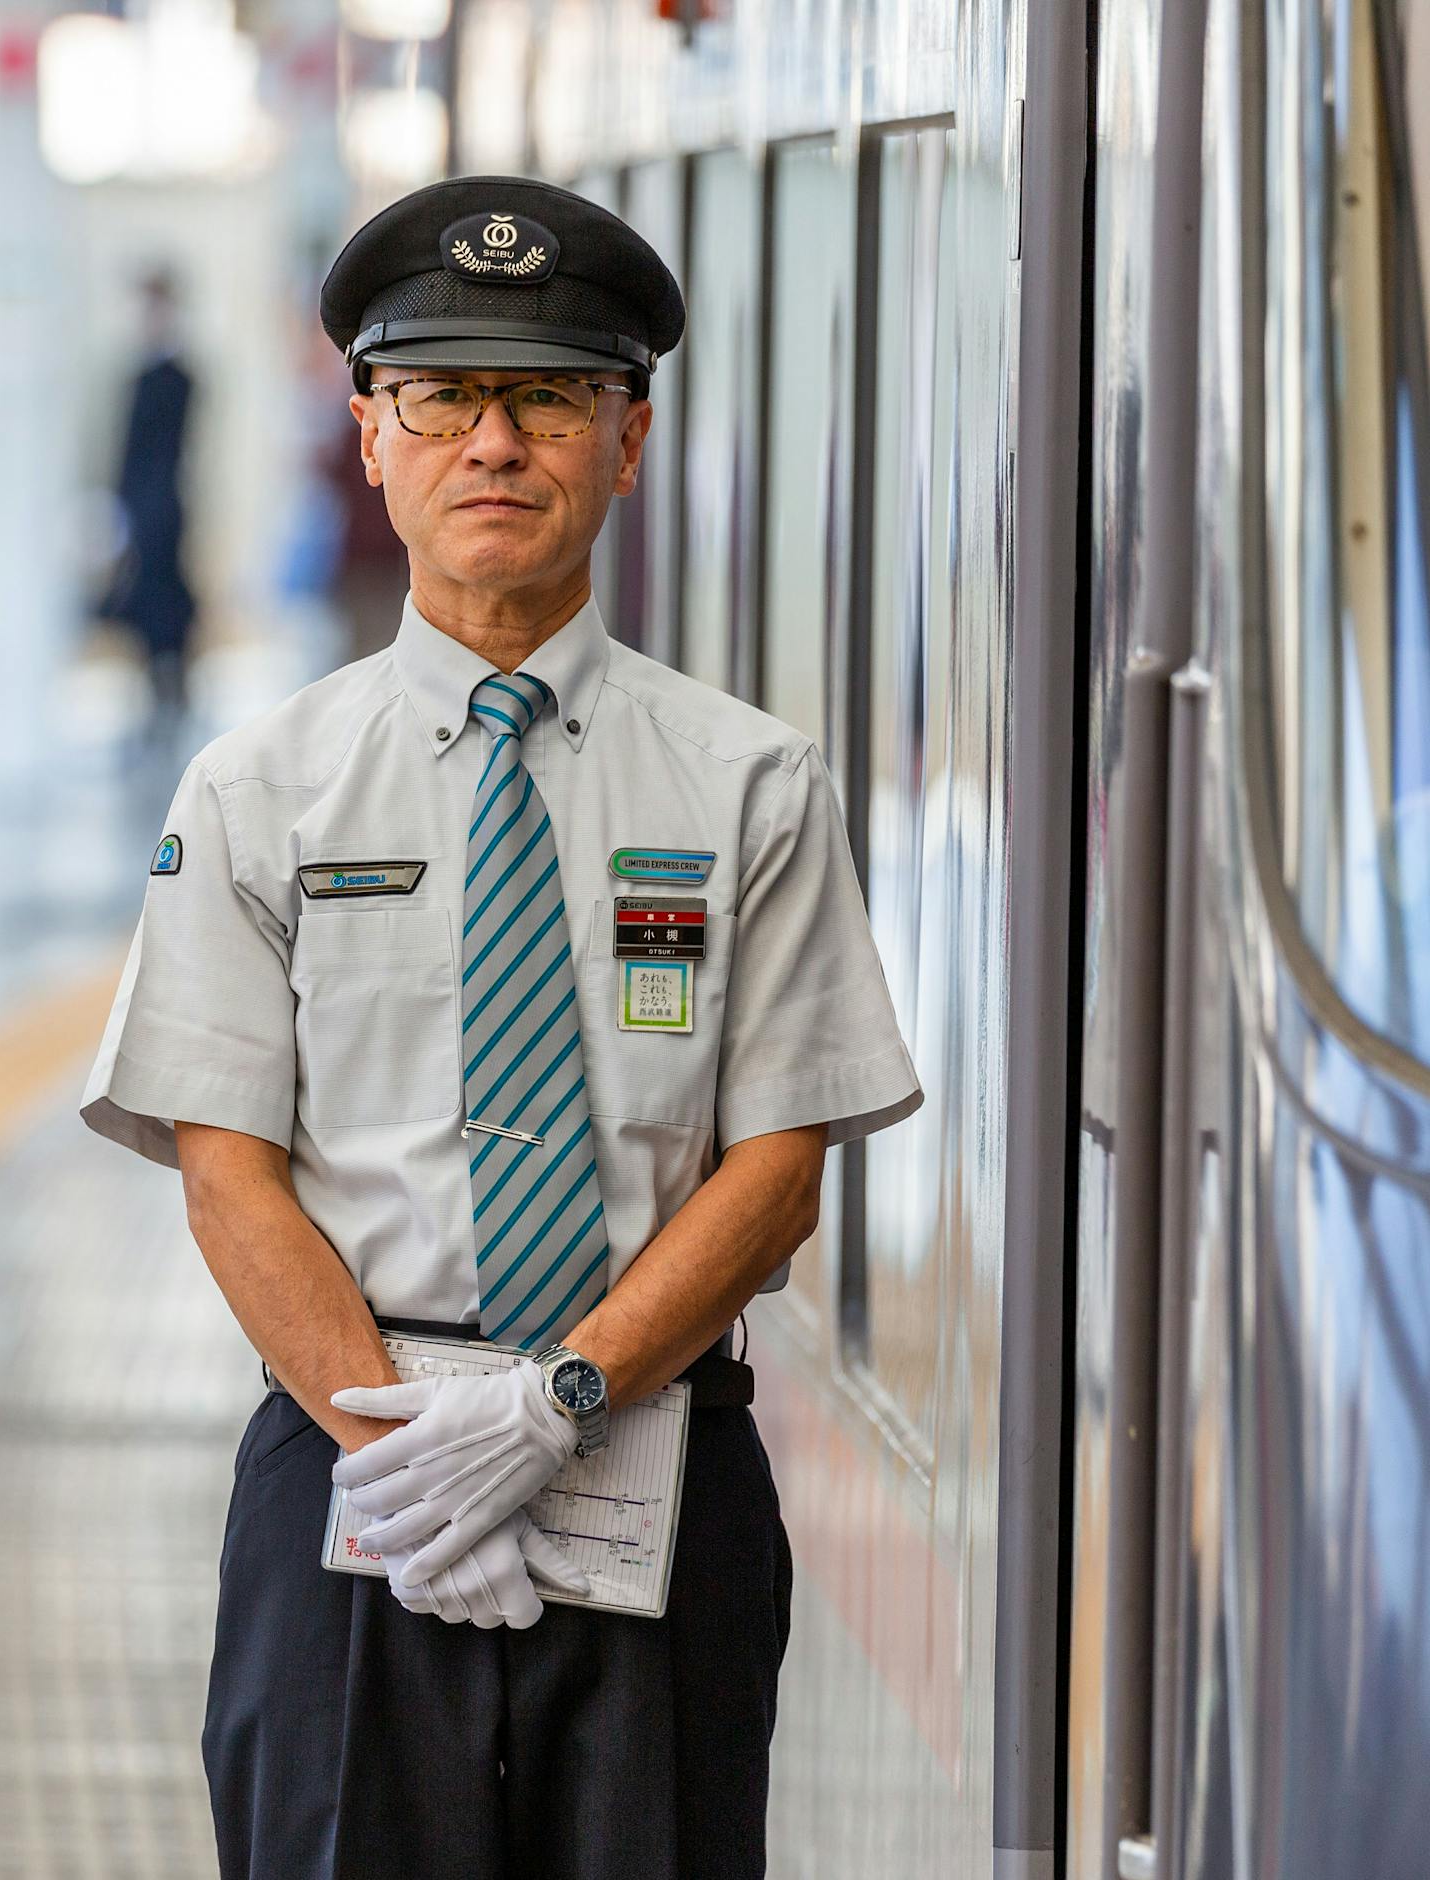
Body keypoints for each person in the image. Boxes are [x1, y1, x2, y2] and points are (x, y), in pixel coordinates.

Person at [79, 176, 924, 1878]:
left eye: (549, 398)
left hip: (655, 1470)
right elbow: (228, 1172)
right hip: (345, 1483)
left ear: (629, 442)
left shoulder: (751, 782)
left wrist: (557, 1403)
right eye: (445, 398)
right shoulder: (262, 792)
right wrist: (403, 1455)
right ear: (372, 438)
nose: (495, 443)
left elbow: (778, 1169)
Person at [100, 266, 198, 738]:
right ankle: (155, 691)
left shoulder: (177, 376)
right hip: (140, 508)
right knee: (142, 602)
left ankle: (172, 690)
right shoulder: (138, 374)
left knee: (166, 600)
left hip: (162, 509)